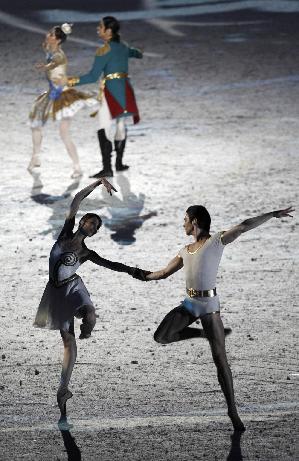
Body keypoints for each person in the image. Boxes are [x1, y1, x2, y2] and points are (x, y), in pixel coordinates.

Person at [145, 205, 294, 431]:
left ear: (194, 221)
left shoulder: (217, 240)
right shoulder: (185, 250)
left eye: (185, 219)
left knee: (220, 359)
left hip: (209, 306)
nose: (183, 223)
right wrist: (137, 273)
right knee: (161, 336)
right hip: (189, 304)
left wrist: (272, 215)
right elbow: (163, 273)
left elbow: (244, 226)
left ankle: (232, 411)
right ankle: (202, 334)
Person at [33, 177, 146, 421]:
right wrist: (97, 183)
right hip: (56, 292)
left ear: (93, 232)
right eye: (87, 219)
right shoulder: (65, 233)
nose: (88, 223)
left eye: (93, 224)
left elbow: (111, 264)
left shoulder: (87, 253)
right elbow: (76, 200)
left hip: (73, 287)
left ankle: (88, 327)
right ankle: (63, 388)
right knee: (67, 342)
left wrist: (133, 271)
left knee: (90, 315)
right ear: (81, 221)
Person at [68, 16, 143, 178]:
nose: (98, 29)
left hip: (111, 91)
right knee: (121, 125)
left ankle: (107, 168)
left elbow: (93, 76)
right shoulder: (123, 46)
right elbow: (135, 53)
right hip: (125, 90)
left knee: (104, 126)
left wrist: (70, 81)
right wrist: (137, 53)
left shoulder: (104, 51)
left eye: (100, 27)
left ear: (108, 31)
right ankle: (119, 164)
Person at [28, 23, 98, 178]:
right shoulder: (49, 49)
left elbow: (53, 64)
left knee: (64, 133)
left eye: (52, 35)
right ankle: (36, 156)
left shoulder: (59, 55)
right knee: (36, 124)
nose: (48, 35)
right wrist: (62, 29)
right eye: (49, 33)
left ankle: (77, 167)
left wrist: (44, 67)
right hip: (51, 94)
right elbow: (46, 46)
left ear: (58, 40)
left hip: (63, 96)